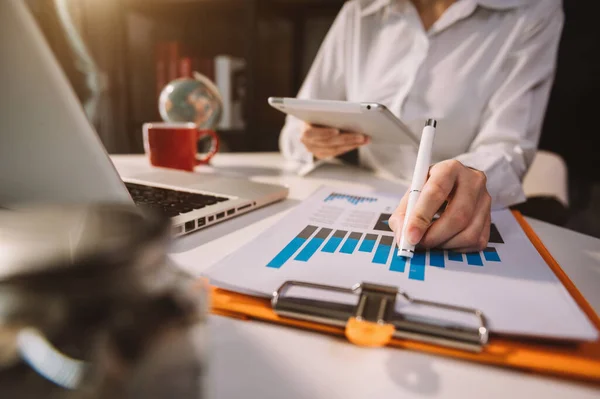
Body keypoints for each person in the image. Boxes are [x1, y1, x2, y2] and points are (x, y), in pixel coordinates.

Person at [279, 0, 563, 252]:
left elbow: (508, 146)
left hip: (445, 214)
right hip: (361, 198)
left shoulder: (532, 10)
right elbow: (294, 130)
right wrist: (311, 140)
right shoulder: (360, 10)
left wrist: (469, 177)